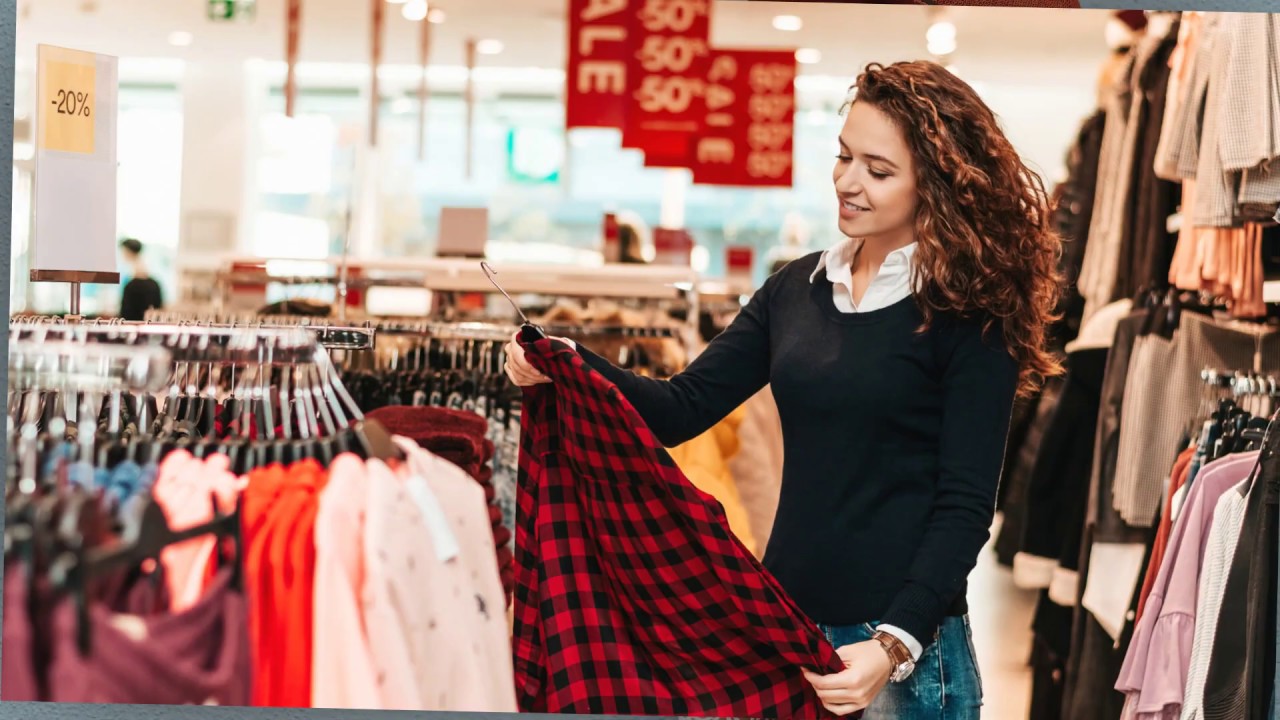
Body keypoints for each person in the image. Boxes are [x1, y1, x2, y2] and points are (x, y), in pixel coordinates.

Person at [504, 60, 1062, 719]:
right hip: (784, 633)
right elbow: (681, 408)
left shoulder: (969, 315)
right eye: (844, 157)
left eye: (878, 171)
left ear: (932, 187)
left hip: (903, 657)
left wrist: (891, 644)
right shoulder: (796, 289)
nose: (848, 183)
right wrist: (571, 362)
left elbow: (965, 506)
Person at [118, 237, 164, 321]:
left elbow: (125, 314)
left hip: (133, 326)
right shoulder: (154, 283)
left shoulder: (131, 285)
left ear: (128, 252)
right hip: (148, 327)